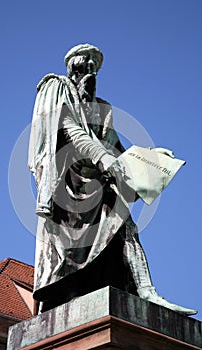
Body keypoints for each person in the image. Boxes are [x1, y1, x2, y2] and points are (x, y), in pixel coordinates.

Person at [28, 43, 197, 315]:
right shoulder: (57, 88)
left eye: (95, 69)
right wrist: (103, 158)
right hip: (67, 186)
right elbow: (70, 131)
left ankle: (147, 292)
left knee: (126, 225)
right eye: (86, 67)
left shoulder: (102, 108)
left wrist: (150, 158)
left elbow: (115, 148)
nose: (90, 74)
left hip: (98, 182)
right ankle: (71, 292)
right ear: (75, 68)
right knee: (71, 251)